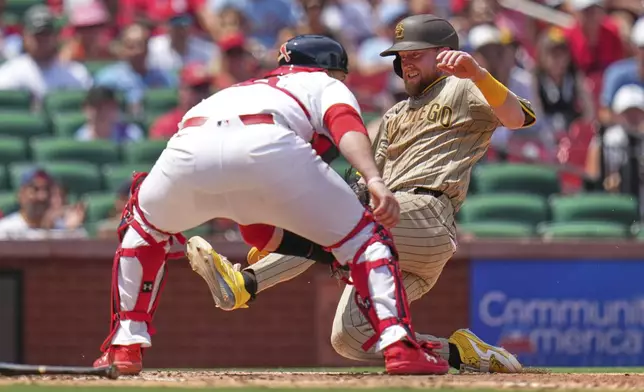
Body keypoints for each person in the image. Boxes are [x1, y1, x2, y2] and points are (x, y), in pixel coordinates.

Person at [93, 34, 449, 377]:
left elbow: (257, 229)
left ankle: (124, 346)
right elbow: (345, 127)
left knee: (141, 229)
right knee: (369, 241)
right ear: (331, 68)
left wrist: (329, 255)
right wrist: (373, 179)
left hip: (188, 149)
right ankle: (399, 345)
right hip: (267, 142)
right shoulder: (323, 82)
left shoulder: (236, 89)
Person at [200, 14, 537, 373]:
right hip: (397, 239)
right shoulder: (394, 114)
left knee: (343, 220)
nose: (406, 63)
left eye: (415, 54)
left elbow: (516, 119)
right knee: (349, 338)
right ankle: (463, 354)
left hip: (427, 214)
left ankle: (246, 283)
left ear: (444, 54)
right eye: (402, 56)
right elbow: (364, 185)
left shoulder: (464, 86)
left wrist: (478, 74)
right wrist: (296, 235)